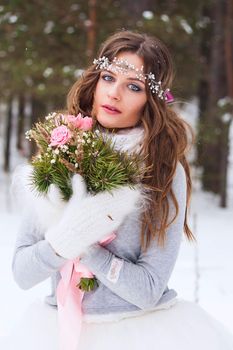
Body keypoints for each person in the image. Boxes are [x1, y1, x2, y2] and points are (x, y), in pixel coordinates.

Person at [9, 30, 233, 350]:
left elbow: (148, 290)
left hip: (138, 333)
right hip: (56, 330)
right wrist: (62, 242)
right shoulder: (63, 150)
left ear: (150, 100)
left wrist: (87, 247)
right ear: (95, 81)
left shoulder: (163, 169)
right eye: (109, 77)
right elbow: (21, 272)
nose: (114, 94)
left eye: (133, 87)